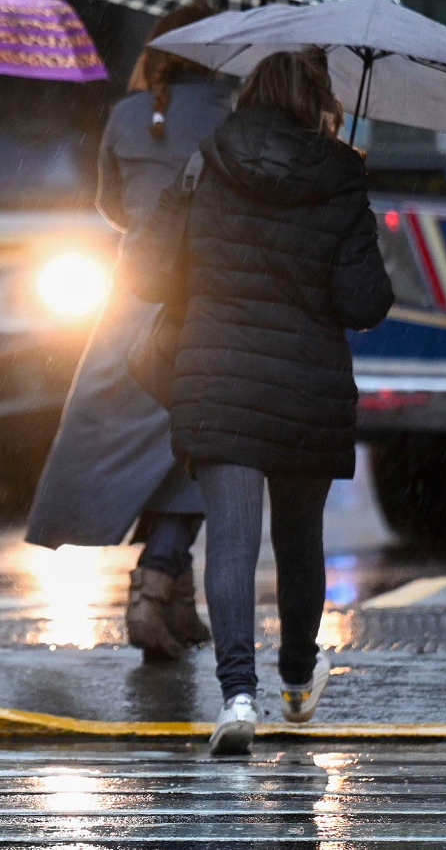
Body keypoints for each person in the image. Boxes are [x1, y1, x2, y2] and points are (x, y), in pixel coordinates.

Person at [133, 49, 392, 755]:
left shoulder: (205, 160)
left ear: (251, 91)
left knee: (232, 538)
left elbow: (145, 270)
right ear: (318, 102)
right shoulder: (340, 176)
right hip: (305, 382)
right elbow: (365, 302)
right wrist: (353, 202)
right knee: (299, 538)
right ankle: (300, 680)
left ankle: (238, 696)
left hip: (217, 371)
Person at [23, 2, 230, 661]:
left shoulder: (126, 114)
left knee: (146, 446)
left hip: (131, 302)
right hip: (202, 300)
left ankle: (175, 602)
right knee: (199, 444)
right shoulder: (234, 114)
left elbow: (110, 205)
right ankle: (156, 578)